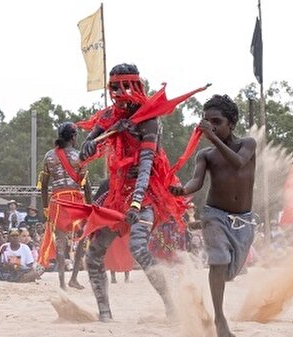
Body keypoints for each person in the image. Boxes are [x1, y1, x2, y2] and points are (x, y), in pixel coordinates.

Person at [79, 63, 188, 322]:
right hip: (117, 192)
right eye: (114, 87)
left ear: (135, 85)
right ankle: (104, 314)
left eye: (123, 86)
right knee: (93, 256)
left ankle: (171, 305)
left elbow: (147, 163)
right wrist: (86, 147)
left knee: (139, 247)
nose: (119, 93)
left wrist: (137, 203)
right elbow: (92, 140)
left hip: (145, 191)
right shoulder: (110, 116)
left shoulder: (148, 119)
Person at [169, 94, 257, 337]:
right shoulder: (205, 155)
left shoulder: (247, 144)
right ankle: (220, 318)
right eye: (207, 121)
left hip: (244, 221)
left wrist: (214, 137)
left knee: (229, 271)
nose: (211, 126)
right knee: (218, 261)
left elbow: (239, 163)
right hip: (215, 215)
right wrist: (183, 190)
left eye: (217, 121)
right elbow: (197, 181)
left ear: (232, 123)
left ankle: (218, 309)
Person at [38, 121, 87, 290]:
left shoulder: (49, 156)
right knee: (82, 237)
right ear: (73, 137)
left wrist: (45, 207)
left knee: (60, 242)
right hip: (75, 199)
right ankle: (73, 278)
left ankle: (62, 283)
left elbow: (43, 185)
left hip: (58, 200)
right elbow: (86, 184)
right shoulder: (79, 156)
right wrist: (91, 206)